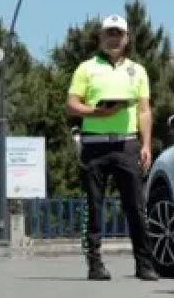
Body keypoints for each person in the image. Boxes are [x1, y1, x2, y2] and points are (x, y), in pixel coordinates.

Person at [65, 14, 159, 281]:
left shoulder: (137, 70)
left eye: (119, 34)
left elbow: (144, 110)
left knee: (136, 206)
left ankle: (144, 264)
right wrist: (97, 113)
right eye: (109, 33)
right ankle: (95, 264)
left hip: (127, 144)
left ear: (127, 38)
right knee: (94, 205)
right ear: (101, 37)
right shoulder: (86, 68)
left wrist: (146, 145)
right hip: (93, 145)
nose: (114, 38)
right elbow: (71, 104)